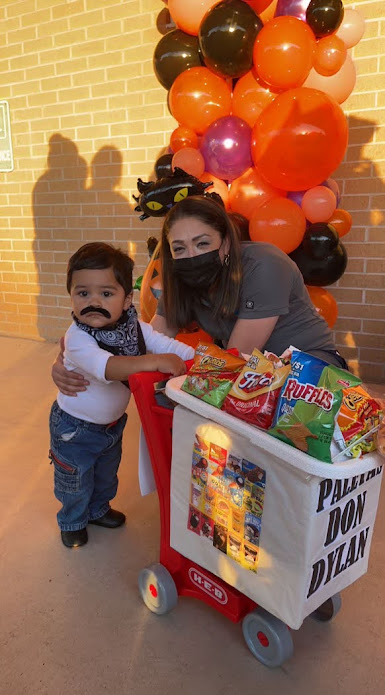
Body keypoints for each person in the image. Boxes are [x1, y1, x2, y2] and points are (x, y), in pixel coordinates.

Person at [51, 194, 348, 397]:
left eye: (202, 243)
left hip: (309, 371)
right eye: (179, 248)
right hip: (253, 376)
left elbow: (238, 357)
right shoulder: (181, 276)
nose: (190, 256)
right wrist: (76, 358)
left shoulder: (265, 264)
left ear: (226, 243)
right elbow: (147, 338)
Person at [50, 242, 194, 549]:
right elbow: (110, 367)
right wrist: (154, 362)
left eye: (106, 293)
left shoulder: (135, 327)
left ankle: (99, 509)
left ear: (127, 299)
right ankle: (73, 521)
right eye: (83, 293)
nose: (94, 302)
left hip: (112, 425)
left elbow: (163, 344)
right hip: (74, 428)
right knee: (74, 479)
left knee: (106, 473)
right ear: (71, 296)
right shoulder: (77, 338)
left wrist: (196, 358)